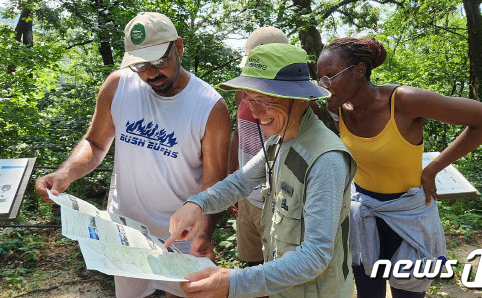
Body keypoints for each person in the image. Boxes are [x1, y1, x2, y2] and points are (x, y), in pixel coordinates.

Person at [35, 12, 231, 298]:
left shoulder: (209, 105)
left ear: (178, 47)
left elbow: (213, 181)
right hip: (124, 235)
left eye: (158, 61)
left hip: (182, 237)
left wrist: (204, 233)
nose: (150, 74)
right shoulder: (118, 85)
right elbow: (96, 143)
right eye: (140, 64)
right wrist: (66, 172)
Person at [164, 43, 358, 297]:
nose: (255, 113)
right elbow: (239, 183)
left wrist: (232, 282)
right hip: (284, 287)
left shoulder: (325, 160)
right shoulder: (278, 140)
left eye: (264, 101)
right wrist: (197, 204)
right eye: (250, 100)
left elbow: (315, 256)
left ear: (297, 96)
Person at [316, 37, 482, 297]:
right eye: (320, 79)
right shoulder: (340, 108)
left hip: (408, 217)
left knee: (409, 293)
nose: (323, 85)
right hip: (365, 217)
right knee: (369, 293)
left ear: (360, 70)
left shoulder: (403, 101)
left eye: (330, 76)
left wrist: (433, 169)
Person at [227, 26, 321, 269]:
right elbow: (238, 133)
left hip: (280, 202)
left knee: (279, 271)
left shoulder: (304, 107)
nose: (254, 102)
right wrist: (231, 181)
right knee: (251, 264)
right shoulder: (242, 95)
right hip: (247, 194)